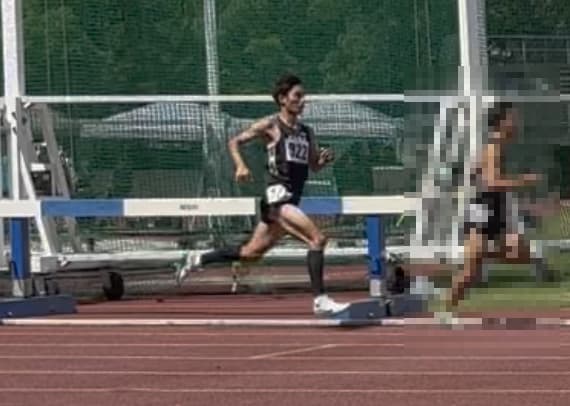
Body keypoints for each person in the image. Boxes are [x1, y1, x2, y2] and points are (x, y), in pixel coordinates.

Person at [175, 73, 349, 317]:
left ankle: (197, 259)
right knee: (317, 239)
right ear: (282, 99)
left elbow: (313, 166)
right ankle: (320, 300)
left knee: (250, 253)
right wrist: (240, 166)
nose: (302, 101)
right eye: (297, 96)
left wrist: (323, 160)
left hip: (292, 198)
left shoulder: (307, 133)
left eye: (304, 97)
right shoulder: (271, 125)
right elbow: (234, 142)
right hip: (278, 199)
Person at [446, 102, 541, 312]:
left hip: (497, 208)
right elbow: (492, 182)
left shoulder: (495, 147)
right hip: (483, 208)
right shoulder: (494, 148)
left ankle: (483, 255)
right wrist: (523, 181)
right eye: (512, 118)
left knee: (522, 253)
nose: (516, 122)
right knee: (470, 273)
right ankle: (445, 312)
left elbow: (478, 171)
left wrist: (472, 174)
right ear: (501, 122)